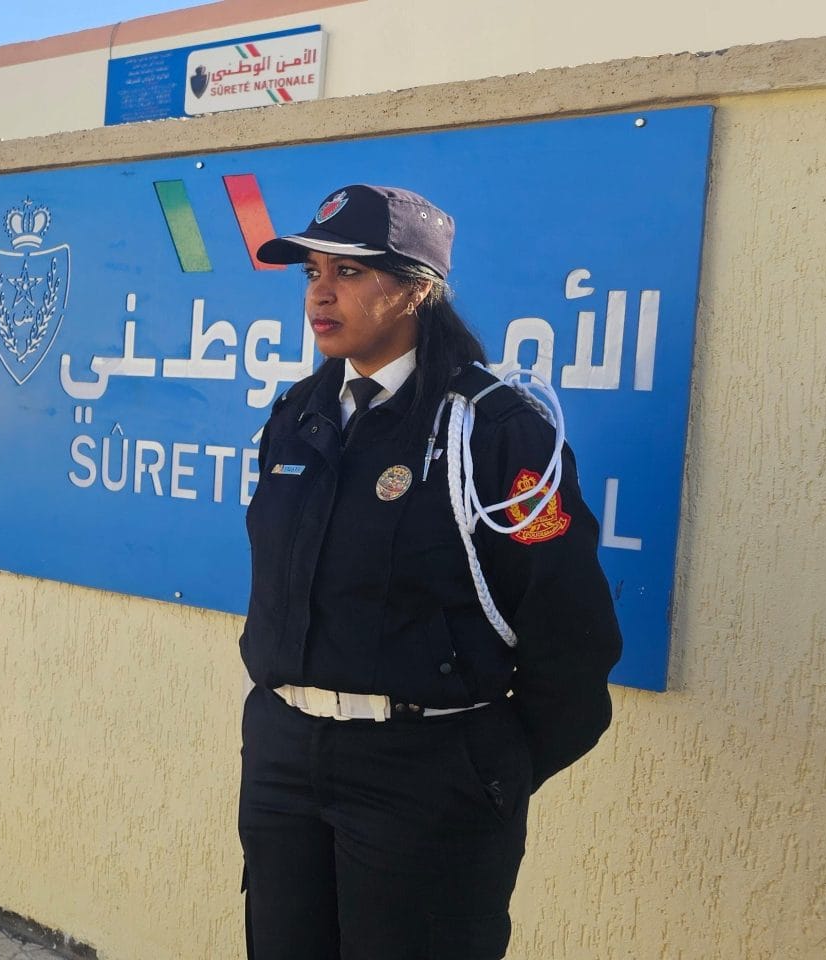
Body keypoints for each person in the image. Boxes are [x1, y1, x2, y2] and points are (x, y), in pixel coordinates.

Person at [236, 185, 622, 959]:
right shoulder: (298, 416)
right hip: (284, 763)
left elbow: (572, 642)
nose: (319, 292)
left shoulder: (496, 431)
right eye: (312, 271)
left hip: (426, 778)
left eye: (348, 271)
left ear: (416, 288)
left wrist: (483, 770)